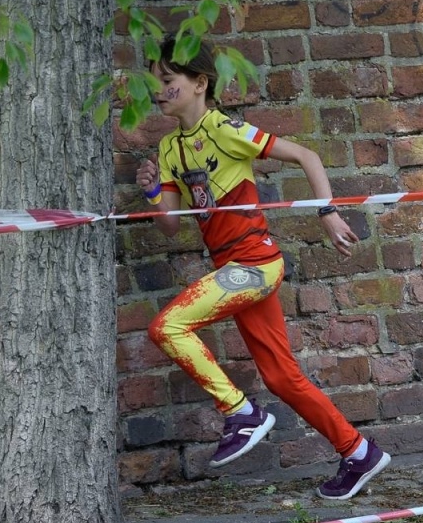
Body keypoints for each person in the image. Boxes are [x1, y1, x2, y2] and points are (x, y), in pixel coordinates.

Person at [133, 39, 392, 499]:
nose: (159, 89)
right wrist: (154, 193)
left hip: (254, 266)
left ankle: (241, 412)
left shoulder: (225, 129)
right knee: (281, 377)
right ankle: (358, 453)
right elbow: (172, 225)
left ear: (199, 83)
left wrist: (327, 212)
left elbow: (306, 156)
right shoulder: (170, 147)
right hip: (232, 271)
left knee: (167, 327)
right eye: (156, 80)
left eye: (167, 81)